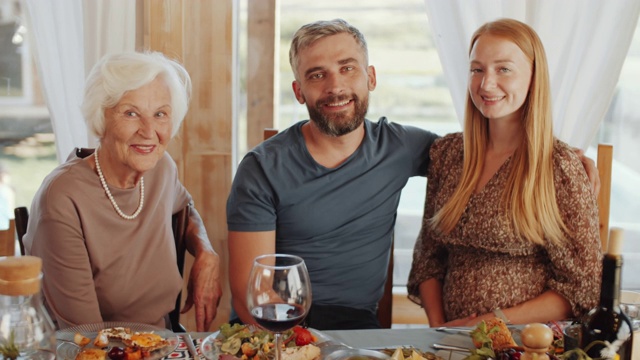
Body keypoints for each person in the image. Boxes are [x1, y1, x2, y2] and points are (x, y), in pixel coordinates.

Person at [226, 19, 600, 330]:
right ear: (298, 90)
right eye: (317, 75)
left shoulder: (404, 147)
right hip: (279, 325)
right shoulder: (262, 169)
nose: (336, 86)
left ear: (370, 77)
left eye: (347, 68)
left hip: (358, 325)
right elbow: (253, 297)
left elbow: (495, 156)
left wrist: (570, 163)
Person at [407, 18, 602, 327]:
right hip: (448, 341)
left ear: (534, 77)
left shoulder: (560, 167)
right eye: (477, 69)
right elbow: (428, 261)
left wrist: (487, 323)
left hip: (526, 343)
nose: (486, 84)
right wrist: (440, 330)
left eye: (503, 69)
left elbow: (581, 289)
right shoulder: (448, 155)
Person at [23, 51, 222, 331]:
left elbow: (185, 207)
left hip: (163, 343)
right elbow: (85, 334)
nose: (149, 131)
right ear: (101, 118)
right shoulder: (63, 198)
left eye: (160, 114)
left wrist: (205, 251)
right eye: (131, 113)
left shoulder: (161, 168)